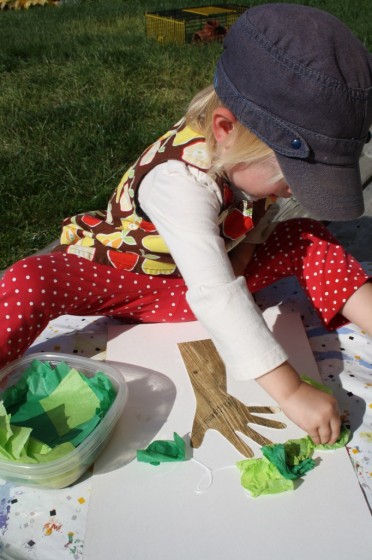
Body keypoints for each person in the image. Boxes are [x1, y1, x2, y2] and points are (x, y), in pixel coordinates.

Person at [1, 4, 372, 447]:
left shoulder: (242, 156)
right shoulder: (178, 181)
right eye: (291, 177)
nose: (292, 193)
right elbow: (215, 294)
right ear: (224, 129)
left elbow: (257, 212)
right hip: (133, 280)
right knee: (32, 278)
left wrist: (244, 257)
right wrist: (290, 390)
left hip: (210, 276)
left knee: (306, 235)